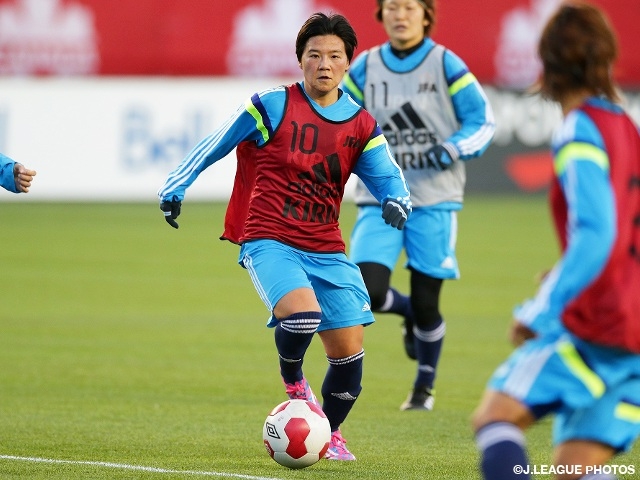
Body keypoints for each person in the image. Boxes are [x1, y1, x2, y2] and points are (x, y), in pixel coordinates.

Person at [158, 12, 411, 461]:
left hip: (327, 246)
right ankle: (295, 381)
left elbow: (387, 177)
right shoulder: (271, 104)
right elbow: (216, 141)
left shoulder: (361, 125)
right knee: (301, 316)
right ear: (300, 60)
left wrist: (397, 200)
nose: (324, 64)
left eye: (334, 56)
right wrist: (177, 183)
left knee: (350, 355)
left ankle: (326, 434)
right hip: (269, 237)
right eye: (315, 55)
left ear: (348, 64)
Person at [472, 3, 640, 479]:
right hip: (634, 325)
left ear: (546, 64)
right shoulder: (626, 126)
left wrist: (543, 307)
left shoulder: (579, 127)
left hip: (598, 323)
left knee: (496, 418)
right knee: (574, 469)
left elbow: (598, 231)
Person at [341, 0, 495, 411]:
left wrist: (453, 147)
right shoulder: (364, 68)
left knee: (429, 303)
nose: (400, 14)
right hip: (379, 199)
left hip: (434, 201)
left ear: (426, 15)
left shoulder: (446, 64)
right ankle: (405, 310)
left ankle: (423, 388)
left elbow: (482, 122)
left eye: (409, 6)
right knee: (366, 293)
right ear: (381, 15)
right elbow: (337, 117)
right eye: (391, 6)